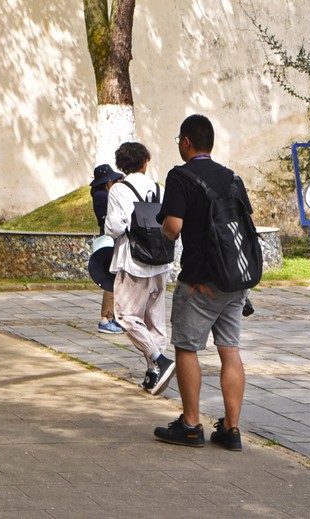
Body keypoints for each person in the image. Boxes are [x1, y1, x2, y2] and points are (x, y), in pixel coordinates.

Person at [154, 114, 255, 451]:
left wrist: (163, 228)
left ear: (186, 142)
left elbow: (173, 227)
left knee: (187, 347)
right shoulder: (231, 178)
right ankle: (231, 428)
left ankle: (191, 423)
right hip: (235, 278)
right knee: (230, 350)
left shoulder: (180, 176)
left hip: (200, 280)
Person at [106, 140, 177, 396]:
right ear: (145, 163)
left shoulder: (118, 190)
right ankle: (153, 373)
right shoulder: (158, 189)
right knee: (154, 319)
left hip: (133, 261)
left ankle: (159, 359)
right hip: (160, 261)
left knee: (125, 316)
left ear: (121, 165)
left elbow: (114, 228)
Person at [90, 162, 125, 333]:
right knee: (112, 279)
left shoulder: (99, 195)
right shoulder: (103, 196)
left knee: (114, 278)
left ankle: (113, 317)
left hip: (108, 238)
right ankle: (106, 318)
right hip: (111, 239)